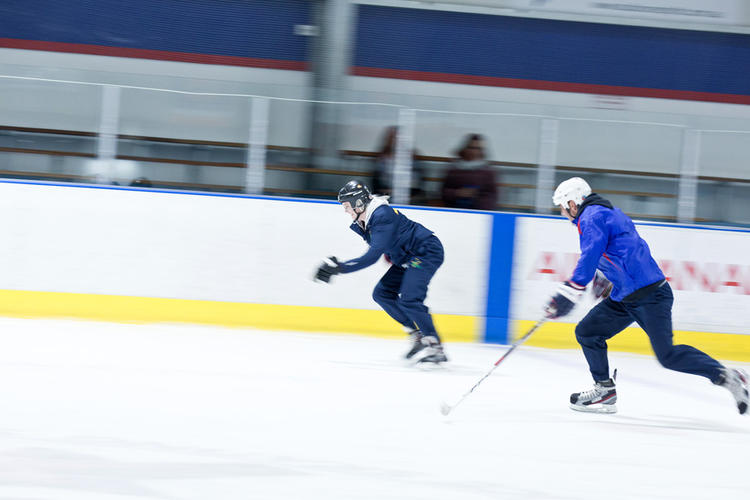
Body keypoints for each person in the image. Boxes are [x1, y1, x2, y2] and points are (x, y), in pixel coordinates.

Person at [545, 177, 749, 415]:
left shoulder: (590, 217)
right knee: (588, 331)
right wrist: (605, 277)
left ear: (573, 202)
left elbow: (590, 255)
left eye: (562, 206)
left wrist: (570, 290)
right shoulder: (605, 212)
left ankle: (728, 376)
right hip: (625, 296)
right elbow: (621, 248)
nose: (563, 213)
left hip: (651, 296)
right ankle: (604, 389)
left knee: (668, 355)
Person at [314, 180, 447, 364]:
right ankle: (417, 335)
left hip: (425, 252)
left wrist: (340, 268)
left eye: (346, 206)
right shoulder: (364, 220)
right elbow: (384, 244)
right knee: (382, 294)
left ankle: (434, 345)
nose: (345, 210)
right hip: (408, 257)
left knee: (410, 299)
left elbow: (371, 256)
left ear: (358, 203)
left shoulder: (381, 215)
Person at [371, 126, 427, 205]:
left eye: (397, 138)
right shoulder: (381, 159)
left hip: (409, 199)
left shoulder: (413, 159)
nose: (394, 141)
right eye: (392, 138)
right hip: (384, 198)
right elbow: (376, 184)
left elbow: (415, 187)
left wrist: (395, 191)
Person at [441, 133, 497, 210]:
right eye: (471, 148)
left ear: (481, 151)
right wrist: (458, 193)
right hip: (454, 211)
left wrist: (476, 200)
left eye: (478, 148)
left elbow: (491, 196)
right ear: (465, 148)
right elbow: (443, 193)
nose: (474, 151)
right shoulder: (453, 170)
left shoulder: (488, 172)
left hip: (477, 213)